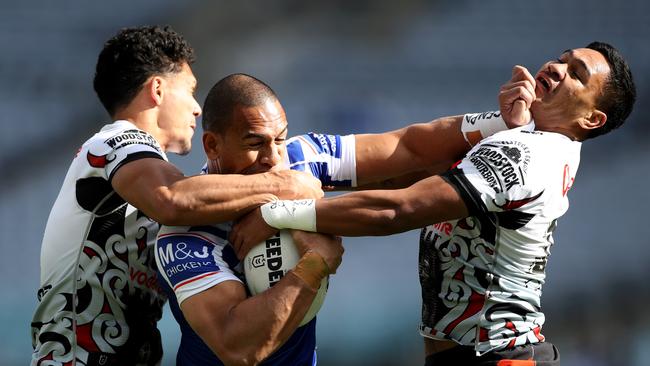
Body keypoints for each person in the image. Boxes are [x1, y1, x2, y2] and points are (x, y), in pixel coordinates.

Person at [230, 42, 636, 365]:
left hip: (497, 357)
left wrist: (274, 213)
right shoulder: (523, 135)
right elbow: (415, 152)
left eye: (577, 75)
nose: (557, 67)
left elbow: (398, 210)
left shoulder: (526, 153)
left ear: (591, 120)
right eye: (563, 58)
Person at [155, 71, 525, 365]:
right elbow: (239, 349)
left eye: (280, 139)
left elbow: (408, 148)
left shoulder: (302, 158)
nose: (273, 158)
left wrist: (499, 122)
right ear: (213, 146)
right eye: (255, 144)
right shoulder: (184, 235)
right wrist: (313, 267)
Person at [30, 26, 323, 366]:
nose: (197, 110)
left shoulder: (148, 171)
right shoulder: (114, 142)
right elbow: (172, 198)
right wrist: (282, 184)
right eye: (190, 91)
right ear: (157, 88)